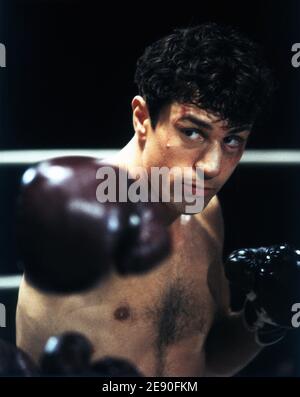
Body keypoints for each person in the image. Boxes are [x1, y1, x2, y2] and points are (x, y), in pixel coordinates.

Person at [16, 23, 277, 376]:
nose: (213, 167)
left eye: (232, 140)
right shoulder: (77, 221)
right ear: (142, 118)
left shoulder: (205, 212)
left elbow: (202, 360)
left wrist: (262, 321)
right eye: (192, 132)